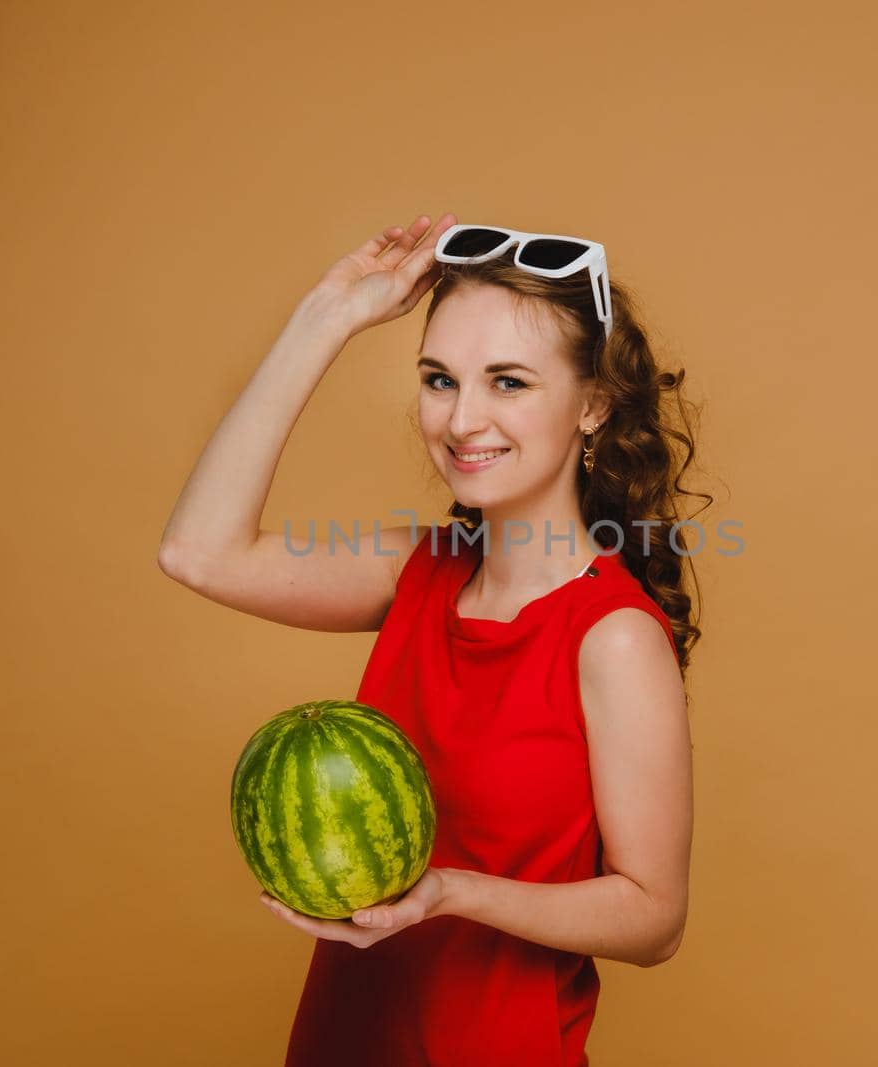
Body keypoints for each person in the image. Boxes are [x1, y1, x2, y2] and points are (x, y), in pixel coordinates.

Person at [157, 212, 706, 1066]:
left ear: (593, 403)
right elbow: (197, 551)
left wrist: (449, 892)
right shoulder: (418, 569)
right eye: (439, 378)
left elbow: (653, 916)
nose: (462, 420)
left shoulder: (613, 636)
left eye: (510, 382)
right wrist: (328, 315)